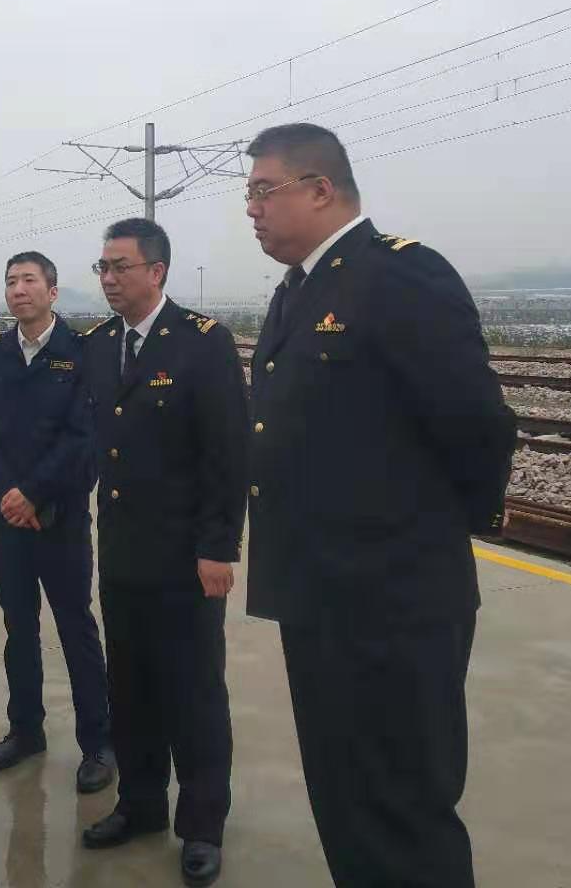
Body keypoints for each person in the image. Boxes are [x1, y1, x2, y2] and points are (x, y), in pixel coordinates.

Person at [243, 123, 517, 888]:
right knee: (345, 803)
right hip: (319, 598)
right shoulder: (298, 291)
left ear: (320, 190)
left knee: (403, 812)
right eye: (248, 195)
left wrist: (425, 536)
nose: (251, 209)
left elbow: (478, 425)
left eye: (264, 191)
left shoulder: (400, 275)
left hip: (392, 603)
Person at [77, 218, 247, 888]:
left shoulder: (202, 343)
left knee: (194, 694)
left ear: (158, 271)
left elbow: (227, 454)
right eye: (102, 267)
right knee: (132, 689)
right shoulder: (99, 346)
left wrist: (218, 548)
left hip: (186, 559)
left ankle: (202, 824)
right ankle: (141, 805)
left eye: (119, 266)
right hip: (123, 553)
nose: (108, 279)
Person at [0, 250, 113, 792]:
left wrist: (33, 492)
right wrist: (7, 493)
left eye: (29, 280)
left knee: (75, 625)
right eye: (11, 281)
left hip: (61, 518)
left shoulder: (81, 354)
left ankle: (98, 742)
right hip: (5, 517)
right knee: (18, 625)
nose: (19, 289)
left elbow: (84, 437)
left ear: (52, 292)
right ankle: (26, 729)